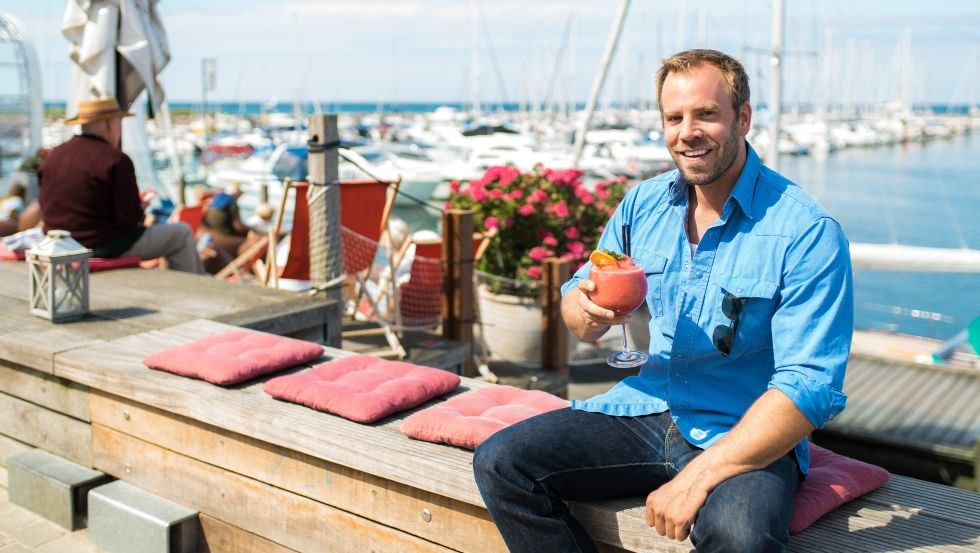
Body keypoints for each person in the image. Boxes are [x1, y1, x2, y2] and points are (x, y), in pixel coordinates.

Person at [473, 49, 853, 552]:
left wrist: (697, 480)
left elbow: (810, 386)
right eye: (674, 117)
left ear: (743, 118)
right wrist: (586, 311)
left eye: (706, 115)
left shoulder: (806, 230)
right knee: (502, 462)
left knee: (739, 537)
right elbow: (577, 306)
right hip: (646, 407)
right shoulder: (643, 203)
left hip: (744, 431)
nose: (687, 131)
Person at [38, 97, 203, 273]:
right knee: (181, 233)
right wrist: (140, 207)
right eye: (119, 123)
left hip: (59, 245)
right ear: (109, 124)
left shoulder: (54, 156)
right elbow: (129, 221)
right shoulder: (115, 160)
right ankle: (194, 293)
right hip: (102, 246)